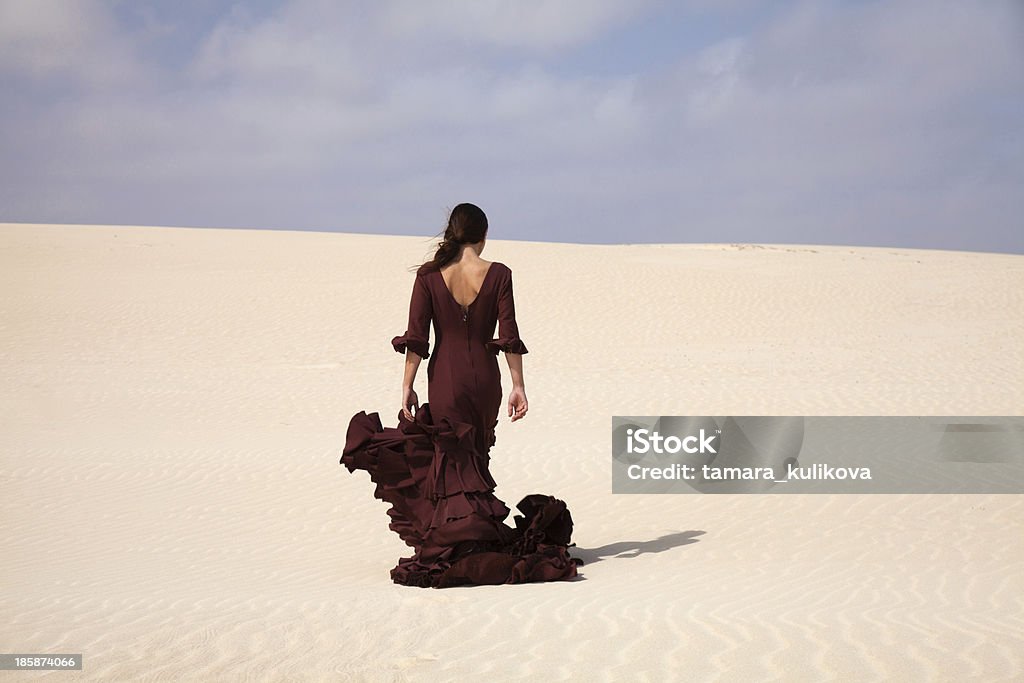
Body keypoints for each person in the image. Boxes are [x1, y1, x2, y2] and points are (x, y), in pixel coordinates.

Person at [341, 202, 583, 588]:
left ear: (453, 232)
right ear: (483, 236)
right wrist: (519, 386)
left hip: (446, 379)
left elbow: (417, 339)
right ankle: (468, 539)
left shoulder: (429, 277)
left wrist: (406, 385)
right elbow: (508, 337)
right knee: (474, 459)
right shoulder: (499, 274)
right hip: (486, 381)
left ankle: (459, 541)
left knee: (454, 464)